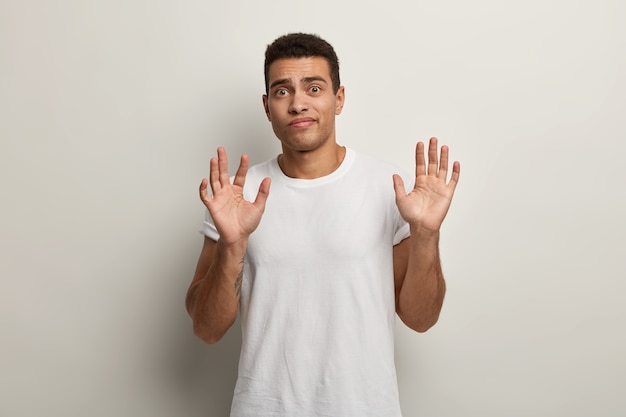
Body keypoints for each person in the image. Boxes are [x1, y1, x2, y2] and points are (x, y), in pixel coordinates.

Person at [186, 32, 460, 417]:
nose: (298, 104)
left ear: (339, 98)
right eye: (282, 92)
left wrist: (426, 234)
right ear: (267, 107)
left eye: (314, 88)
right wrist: (233, 245)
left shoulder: (389, 187)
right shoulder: (235, 195)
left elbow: (420, 318)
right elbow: (206, 329)